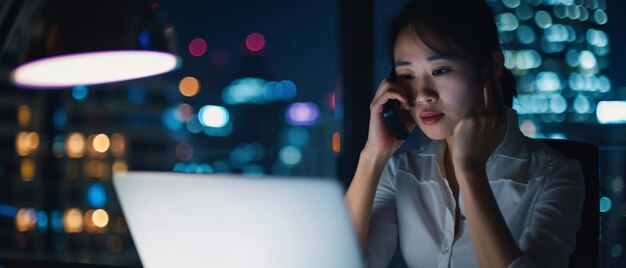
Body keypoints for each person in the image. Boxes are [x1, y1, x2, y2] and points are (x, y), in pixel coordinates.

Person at [344, 0, 585, 267]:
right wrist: (373, 155)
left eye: (440, 70)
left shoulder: (555, 175)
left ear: (491, 68)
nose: (423, 95)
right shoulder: (401, 171)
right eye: (407, 76)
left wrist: (470, 171)